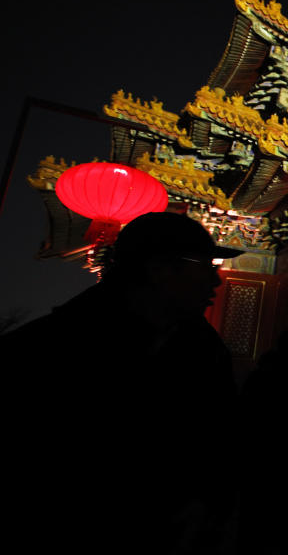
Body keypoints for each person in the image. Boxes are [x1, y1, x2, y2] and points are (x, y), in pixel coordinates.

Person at [3, 211, 242, 554]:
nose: (216, 280)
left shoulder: (203, 349)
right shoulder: (51, 350)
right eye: (205, 265)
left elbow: (220, 439)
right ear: (159, 268)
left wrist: (209, 500)